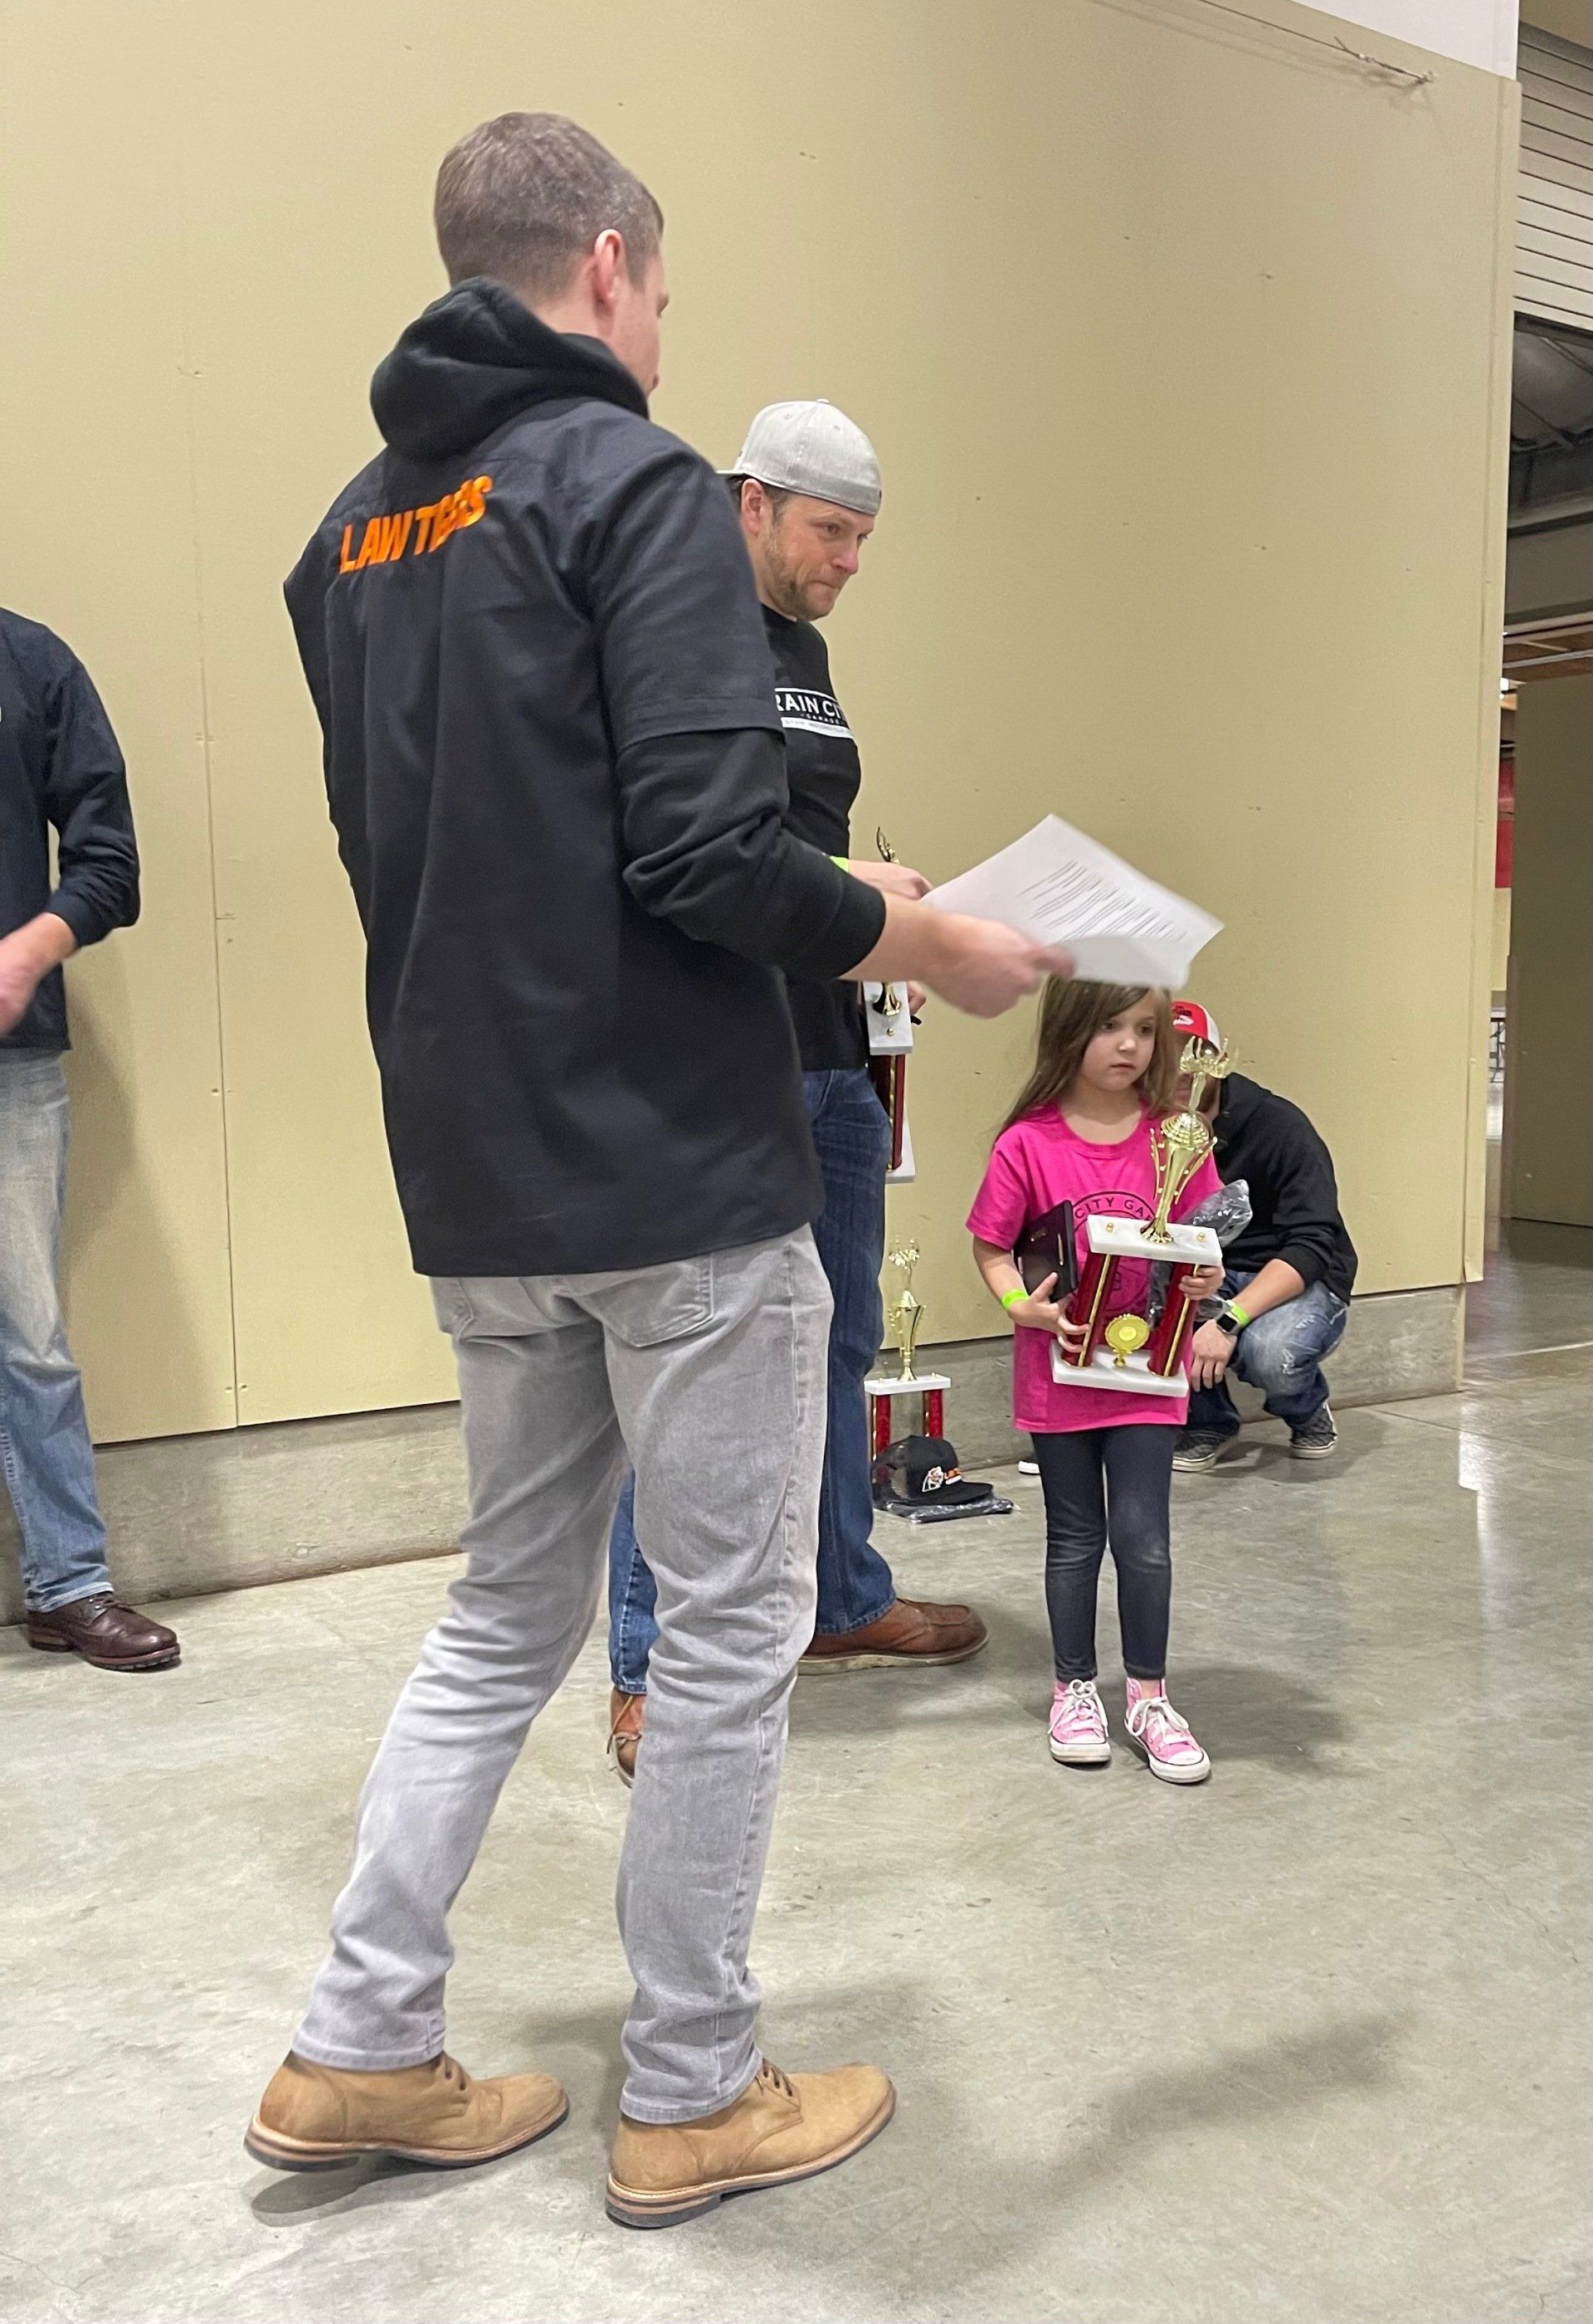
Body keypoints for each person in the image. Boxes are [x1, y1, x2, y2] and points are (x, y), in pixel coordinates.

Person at [247, 113, 1065, 2226]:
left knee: (504, 1612)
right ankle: (694, 2083)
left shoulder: (346, 537)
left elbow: (434, 860)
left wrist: (825, 886)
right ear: (607, 266)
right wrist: (929, 938)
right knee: (724, 1628)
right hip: (674, 1175)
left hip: (476, 1162)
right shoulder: (626, 484)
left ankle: (358, 2047)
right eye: (666, 290)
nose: (664, 321)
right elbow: (702, 856)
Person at [605, 400, 987, 1787]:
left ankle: (835, 1598)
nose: (851, 563)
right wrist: (847, 893)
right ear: (752, 501)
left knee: (838, 1339)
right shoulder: (661, 622)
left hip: (828, 1050)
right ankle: (643, 1661)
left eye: (867, 540)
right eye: (832, 532)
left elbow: (803, 846)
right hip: (708, 1060)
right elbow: (684, 853)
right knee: (682, 1369)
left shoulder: (806, 652)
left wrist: (879, 917)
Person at [967, 982, 1225, 1784]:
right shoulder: (1027, 1144)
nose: (1129, 1046)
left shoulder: (1177, 1139)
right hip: (1061, 1378)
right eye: (1110, 1027)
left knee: (1144, 1539)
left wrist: (1204, 1278)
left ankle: (1148, 1693)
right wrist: (1025, 1309)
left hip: (1150, 1376)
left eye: (1145, 1030)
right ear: (1069, 1031)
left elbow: (1201, 1242)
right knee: (1074, 1537)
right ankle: (1074, 1687)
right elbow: (991, 1247)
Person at [0, 609, 180, 1674]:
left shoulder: (33, 664)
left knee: (30, 1336)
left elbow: (111, 861)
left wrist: (32, 946)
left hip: (11, 1065)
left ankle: (67, 1584)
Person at [1167, 1001, 1357, 1471]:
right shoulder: (1148, 1127)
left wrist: (1228, 1322)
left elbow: (1312, 1243)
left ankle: (1306, 1409)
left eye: (1195, 1053)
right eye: (1162, 1055)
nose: (1179, 1069)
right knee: (1149, 1309)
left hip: (1291, 1273)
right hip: (1204, 1267)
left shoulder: (1279, 1126)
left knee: (1271, 1355)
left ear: (1218, 1060)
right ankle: (1208, 1421)